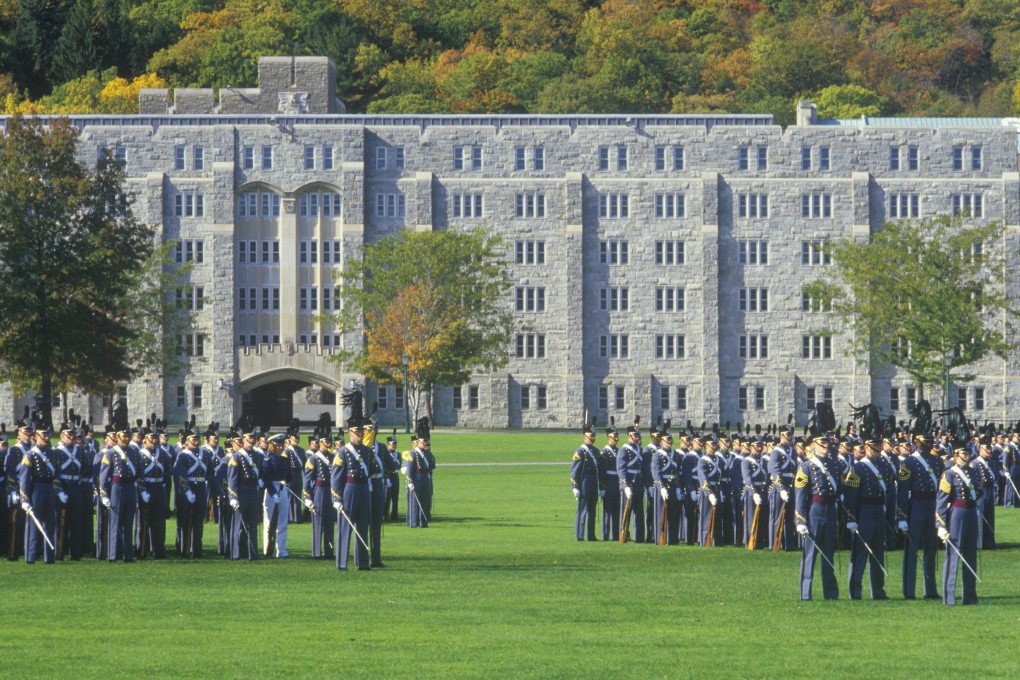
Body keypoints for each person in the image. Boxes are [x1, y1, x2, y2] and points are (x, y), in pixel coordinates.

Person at [794, 435, 843, 600]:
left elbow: (838, 488)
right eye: (822, 444)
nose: (826, 447)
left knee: (829, 552)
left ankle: (830, 592)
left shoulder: (835, 465)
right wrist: (800, 520)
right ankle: (806, 593)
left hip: (830, 510)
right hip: (814, 511)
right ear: (813, 445)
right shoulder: (806, 467)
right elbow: (800, 496)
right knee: (810, 554)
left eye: (827, 444)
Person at [896, 434, 943, 599]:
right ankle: (909, 591)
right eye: (926, 443)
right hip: (916, 506)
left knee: (931, 548)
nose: (929, 446)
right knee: (912, 550)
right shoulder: (908, 462)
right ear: (917, 443)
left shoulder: (937, 461)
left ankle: (930, 590)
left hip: (933, 505)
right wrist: (902, 516)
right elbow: (902, 491)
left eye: (931, 443)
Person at [843, 437, 890, 600]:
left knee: (877, 553)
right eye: (875, 449)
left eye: (879, 449)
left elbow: (890, 491)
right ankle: (855, 592)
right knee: (860, 554)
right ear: (867, 448)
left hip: (879, 510)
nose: (878, 452)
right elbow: (851, 495)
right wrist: (851, 517)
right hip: (864, 512)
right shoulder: (858, 468)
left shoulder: (885, 466)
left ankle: (878, 591)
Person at [937, 446, 981, 605]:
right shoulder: (948, 474)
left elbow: (979, 491)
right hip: (957, 514)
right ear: (956, 455)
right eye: (964, 453)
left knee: (970, 554)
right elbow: (941, 500)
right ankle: (949, 597)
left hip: (971, 512)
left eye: (968, 453)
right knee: (953, 555)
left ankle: (969, 596)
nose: (967, 456)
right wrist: (941, 525)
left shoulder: (974, 472)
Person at [332, 414, 373, 571]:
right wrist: (336, 498)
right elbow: (336, 477)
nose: (361, 436)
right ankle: (342, 562)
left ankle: (363, 562)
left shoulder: (367, 451)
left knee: (363, 525)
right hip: (349, 489)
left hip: (363, 489)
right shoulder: (343, 452)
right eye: (358, 433)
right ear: (350, 433)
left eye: (362, 433)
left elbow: (370, 469)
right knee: (345, 527)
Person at [98, 430, 142, 562]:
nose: (127, 439)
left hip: (130, 488)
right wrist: (104, 495)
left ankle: (127, 555)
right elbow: (103, 476)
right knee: (115, 523)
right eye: (124, 436)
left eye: (128, 436)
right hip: (117, 488)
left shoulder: (134, 452)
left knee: (128, 522)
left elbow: (139, 473)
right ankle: (113, 555)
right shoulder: (110, 454)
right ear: (117, 437)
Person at [18, 428, 59, 564]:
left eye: (48, 435)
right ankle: (31, 556)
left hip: (49, 488)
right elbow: (24, 479)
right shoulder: (30, 455)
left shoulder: (52, 454)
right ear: (36, 436)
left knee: (50, 523)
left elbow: (56, 473)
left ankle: (50, 557)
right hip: (37, 488)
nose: (46, 437)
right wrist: (24, 499)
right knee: (34, 524)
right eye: (43, 435)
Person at [226, 432, 262, 560]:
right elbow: (232, 479)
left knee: (253, 523)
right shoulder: (236, 457)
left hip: (253, 490)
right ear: (244, 440)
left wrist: (260, 480)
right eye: (249, 438)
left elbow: (260, 472)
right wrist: (233, 497)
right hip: (241, 491)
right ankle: (236, 553)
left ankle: (252, 553)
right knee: (239, 525)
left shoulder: (257, 455)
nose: (251, 441)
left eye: (253, 438)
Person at [52, 426, 86, 560]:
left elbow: (83, 468)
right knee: (61, 521)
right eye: (68, 435)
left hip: (75, 486)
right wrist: (59, 491)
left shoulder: (79, 450)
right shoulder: (56, 451)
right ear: (62, 435)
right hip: (62, 486)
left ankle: (75, 552)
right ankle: (60, 550)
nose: (72, 438)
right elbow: (53, 473)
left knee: (76, 520)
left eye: (73, 436)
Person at [174, 430, 209, 558]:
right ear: (187, 441)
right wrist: (187, 491)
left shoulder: (204, 454)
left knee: (198, 521)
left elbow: (210, 472)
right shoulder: (182, 456)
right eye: (193, 439)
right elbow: (180, 475)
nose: (196, 442)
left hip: (200, 488)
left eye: (197, 439)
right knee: (185, 521)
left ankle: (197, 550)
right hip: (187, 490)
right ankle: (185, 549)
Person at [137, 430, 171, 558]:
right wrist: (142, 490)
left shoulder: (162, 454)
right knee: (143, 522)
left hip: (159, 488)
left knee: (159, 522)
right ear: (145, 439)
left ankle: (159, 550)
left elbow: (167, 473)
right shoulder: (139, 455)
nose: (155, 440)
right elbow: (138, 475)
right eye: (152, 438)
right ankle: (142, 550)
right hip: (146, 488)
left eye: (156, 438)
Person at [303, 433, 335, 558]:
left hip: (331, 491)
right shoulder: (313, 459)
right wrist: (307, 497)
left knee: (330, 522)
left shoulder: (333, 457)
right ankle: (316, 552)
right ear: (321, 442)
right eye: (327, 441)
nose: (330, 443)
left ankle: (329, 551)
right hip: (319, 491)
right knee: (318, 522)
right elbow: (307, 479)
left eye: (330, 440)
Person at [650, 430, 682, 545]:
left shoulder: (675, 454)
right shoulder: (657, 455)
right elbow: (656, 472)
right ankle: (660, 538)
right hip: (662, 487)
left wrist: (678, 488)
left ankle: (672, 538)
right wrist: (662, 487)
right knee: (661, 514)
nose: (670, 441)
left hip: (673, 486)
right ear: (662, 441)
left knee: (673, 514)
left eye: (670, 439)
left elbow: (677, 472)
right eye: (668, 439)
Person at [615, 421, 645, 543]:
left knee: (639, 510)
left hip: (638, 481)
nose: (637, 438)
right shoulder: (623, 450)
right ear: (629, 436)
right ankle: (624, 534)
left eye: (638, 436)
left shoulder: (640, 449)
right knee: (626, 510)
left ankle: (639, 537)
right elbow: (621, 469)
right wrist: (626, 485)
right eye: (635, 436)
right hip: (628, 482)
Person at [262, 433, 291, 558]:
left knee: (282, 522)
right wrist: (273, 493)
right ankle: (268, 549)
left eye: (281, 445)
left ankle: (281, 550)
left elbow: (288, 475)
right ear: (272, 446)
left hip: (283, 488)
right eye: (277, 445)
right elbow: (266, 478)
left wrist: (285, 482)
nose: (280, 447)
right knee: (269, 522)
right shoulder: (268, 460)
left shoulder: (285, 459)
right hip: (271, 490)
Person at [6, 425, 32, 561]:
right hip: (18, 487)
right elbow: (10, 472)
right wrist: (12, 490)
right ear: (19, 434)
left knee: (31, 521)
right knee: (17, 522)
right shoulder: (14, 450)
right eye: (25, 433)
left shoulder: (34, 450)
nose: (27, 435)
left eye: (29, 433)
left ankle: (29, 549)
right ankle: (14, 551)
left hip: (31, 488)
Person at [570, 423, 600, 541]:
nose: (592, 438)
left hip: (593, 480)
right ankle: (579, 535)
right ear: (585, 436)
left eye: (593, 435)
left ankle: (591, 535)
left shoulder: (596, 451)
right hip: (585, 481)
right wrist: (575, 486)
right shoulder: (580, 451)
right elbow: (575, 470)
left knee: (592, 509)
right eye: (590, 435)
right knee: (582, 509)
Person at [404, 418, 435, 528]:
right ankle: (413, 522)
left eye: (426, 441)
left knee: (425, 500)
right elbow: (410, 468)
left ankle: (424, 521)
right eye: (423, 442)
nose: (425, 443)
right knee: (414, 502)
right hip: (416, 478)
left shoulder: (427, 453)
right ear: (418, 442)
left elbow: (431, 466)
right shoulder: (412, 453)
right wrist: (410, 481)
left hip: (425, 478)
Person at [769, 429, 797, 551]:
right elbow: (775, 471)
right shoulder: (776, 452)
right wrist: (781, 488)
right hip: (779, 487)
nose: (789, 437)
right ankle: (775, 544)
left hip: (791, 486)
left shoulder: (792, 451)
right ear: (781, 435)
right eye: (787, 435)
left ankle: (788, 545)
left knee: (789, 518)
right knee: (777, 517)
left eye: (791, 435)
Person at [742, 437, 767, 549]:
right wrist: (754, 493)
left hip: (762, 491)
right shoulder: (746, 461)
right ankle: (750, 541)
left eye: (761, 445)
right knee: (751, 518)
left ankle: (760, 541)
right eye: (757, 446)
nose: (759, 448)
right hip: (752, 492)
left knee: (762, 518)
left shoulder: (764, 461)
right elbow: (747, 479)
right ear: (751, 447)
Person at [970, 443, 997, 549]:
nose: (989, 451)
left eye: (989, 449)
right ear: (980, 449)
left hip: (990, 489)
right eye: (987, 449)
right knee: (980, 517)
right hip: (981, 490)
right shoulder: (975, 463)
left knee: (990, 515)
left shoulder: (990, 462)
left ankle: (989, 542)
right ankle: (979, 543)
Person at [599, 423, 621, 541]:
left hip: (617, 482)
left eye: (617, 436)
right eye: (614, 436)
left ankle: (616, 534)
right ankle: (606, 535)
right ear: (609, 437)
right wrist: (602, 487)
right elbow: (602, 472)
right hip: (608, 483)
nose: (616, 438)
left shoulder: (619, 451)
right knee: (607, 511)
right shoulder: (604, 453)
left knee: (617, 510)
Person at [383, 434, 401, 521]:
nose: (394, 446)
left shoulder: (398, 454)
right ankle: (385, 515)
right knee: (387, 496)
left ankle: (394, 515)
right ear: (388, 444)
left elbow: (398, 466)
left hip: (395, 475)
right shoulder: (385, 454)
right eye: (392, 444)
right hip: (388, 475)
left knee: (395, 497)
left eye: (395, 444)